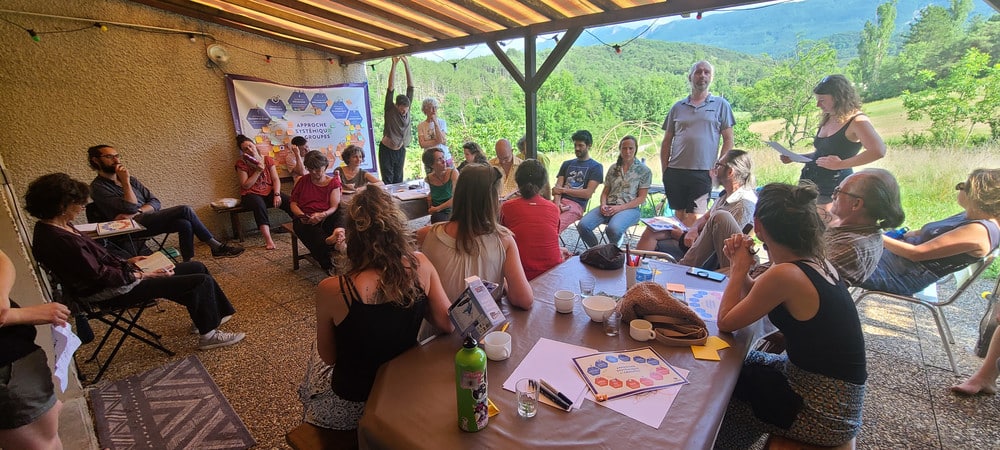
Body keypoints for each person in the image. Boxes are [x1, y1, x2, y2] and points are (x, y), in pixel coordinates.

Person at [716, 182, 866, 448]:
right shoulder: (816, 262)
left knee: (717, 395)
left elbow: (726, 322)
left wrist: (738, 269)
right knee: (736, 366)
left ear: (758, 225)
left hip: (820, 409)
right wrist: (741, 269)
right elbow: (758, 297)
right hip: (838, 397)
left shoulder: (785, 273)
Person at [27, 173, 246, 351]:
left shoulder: (61, 226)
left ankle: (210, 317)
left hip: (115, 277)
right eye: (78, 203)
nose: (82, 207)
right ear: (61, 205)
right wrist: (143, 274)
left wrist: (130, 260)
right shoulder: (60, 240)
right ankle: (208, 335)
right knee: (198, 281)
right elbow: (100, 276)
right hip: (108, 291)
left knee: (197, 266)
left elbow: (98, 259)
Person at [315, 186, 454, 430]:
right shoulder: (419, 265)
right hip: (403, 389)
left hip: (355, 400)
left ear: (352, 235)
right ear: (396, 228)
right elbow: (448, 322)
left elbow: (329, 356)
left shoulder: (332, 289)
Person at [87, 144, 244, 261]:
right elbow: (130, 206)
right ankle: (216, 246)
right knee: (184, 209)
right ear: (96, 160)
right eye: (109, 157)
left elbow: (155, 202)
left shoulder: (132, 180)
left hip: (145, 219)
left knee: (184, 223)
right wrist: (125, 182)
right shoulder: (98, 187)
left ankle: (188, 261)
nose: (116, 160)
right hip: (128, 229)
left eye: (117, 155)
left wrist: (140, 211)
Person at [860, 169, 1000, 296]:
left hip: (898, 275)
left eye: (963, 186)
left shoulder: (979, 232)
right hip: (894, 260)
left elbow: (916, 253)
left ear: (978, 198)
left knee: (840, 263)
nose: (959, 188)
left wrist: (874, 234)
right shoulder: (973, 215)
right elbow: (920, 232)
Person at [417, 164, 533, 309]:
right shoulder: (504, 240)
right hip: (484, 327)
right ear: (493, 200)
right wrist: (505, 282)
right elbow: (524, 299)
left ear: (457, 194)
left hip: (436, 329)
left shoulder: (425, 235)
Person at [782, 74, 886, 215]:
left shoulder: (857, 120)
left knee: (824, 226)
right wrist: (796, 157)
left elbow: (878, 151)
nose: (818, 105)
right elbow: (823, 154)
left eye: (822, 100)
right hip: (809, 182)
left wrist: (840, 164)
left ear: (838, 97)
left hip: (833, 186)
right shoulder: (829, 117)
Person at [637, 149, 756, 270]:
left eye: (718, 165)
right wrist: (693, 229)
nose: (714, 169)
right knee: (652, 230)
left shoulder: (743, 205)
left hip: (706, 256)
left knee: (656, 237)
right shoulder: (727, 195)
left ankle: (664, 270)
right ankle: (634, 269)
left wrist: (682, 237)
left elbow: (720, 247)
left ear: (730, 172)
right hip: (695, 240)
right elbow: (705, 217)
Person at [0, 249, 70, 450]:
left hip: (17, 356)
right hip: (7, 370)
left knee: (48, 431)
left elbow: (2, 259)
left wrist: (1, 295)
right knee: (40, 442)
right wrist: (23, 315)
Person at [660, 60, 735, 228]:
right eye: (698, 72)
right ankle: (679, 253)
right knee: (678, 218)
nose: (702, 75)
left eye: (707, 72)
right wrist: (665, 170)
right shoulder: (677, 107)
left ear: (711, 78)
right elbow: (666, 141)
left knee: (694, 219)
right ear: (690, 77)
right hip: (676, 171)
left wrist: (718, 167)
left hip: (703, 171)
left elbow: (728, 139)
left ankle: (690, 253)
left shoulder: (721, 105)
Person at [825, 169, 904, 286]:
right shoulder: (865, 230)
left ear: (856, 204)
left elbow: (803, 280)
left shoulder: (849, 246)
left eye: (838, 191)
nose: (833, 196)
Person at [577, 136, 651, 248]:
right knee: (583, 225)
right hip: (609, 205)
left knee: (613, 229)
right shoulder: (613, 168)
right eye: (624, 148)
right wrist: (603, 204)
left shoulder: (643, 170)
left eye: (631, 148)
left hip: (630, 209)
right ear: (620, 149)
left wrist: (619, 208)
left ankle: (613, 252)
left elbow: (641, 198)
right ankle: (597, 250)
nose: (627, 151)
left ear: (636, 149)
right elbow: (605, 191)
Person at [500, 160, 562, 280]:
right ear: (543, 183)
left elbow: (502, 242)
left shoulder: (507, 207)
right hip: (552, 271)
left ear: (517, 181)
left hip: (521, 274)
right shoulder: (553, 208)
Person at [235, 134, 293, 250]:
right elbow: (245, 185)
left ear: (255, 145)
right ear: (243, 152)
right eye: (245, 149)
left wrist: (277, 194)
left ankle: (301, 225)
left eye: (250, 146)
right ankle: (268, 239)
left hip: (268, 191)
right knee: (259, 205)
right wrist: (257, 171)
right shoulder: (241, 164)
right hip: (250, 194)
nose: (250, 150)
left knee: (287, 200)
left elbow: (276, 179)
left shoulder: (267, 159)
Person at [291, 151, 344, 275]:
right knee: (313, 233)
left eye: (317, 169)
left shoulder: (333, 183)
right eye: (310, 169)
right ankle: (328, 260)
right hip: (305, 217)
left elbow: (334, 206)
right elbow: (293, 203)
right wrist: (301, 215)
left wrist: (322, 214)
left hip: (326, 216)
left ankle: (339, 231)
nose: (314, 172)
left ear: (325, 167)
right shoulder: (302, 180)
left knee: (342, 210)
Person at [551, 130, 604, 233]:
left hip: (576, 205)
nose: (577, 148)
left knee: (554, 227)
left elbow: (587, 193)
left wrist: (563, 191)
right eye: (575, 145)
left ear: (589, 146)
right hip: (557, 202)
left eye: (580, 145)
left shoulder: (596, 167)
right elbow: (556, 189)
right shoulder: (566, 164)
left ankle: (553, 248)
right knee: (538, 221)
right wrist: (557, 206)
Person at [378, 56, 414, 184]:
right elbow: (390, 87)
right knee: (388, 179)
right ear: (397, 106)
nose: (404, 111)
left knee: (399, 179)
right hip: (387, 149)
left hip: (400, 148)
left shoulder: (408, 106)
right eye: (402, 109)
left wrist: (406, 64)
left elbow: (411, 87)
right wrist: (394, 64)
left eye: (406, 109)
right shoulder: (390, 108)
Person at [422, 148, 458, 224]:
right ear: (431, 165)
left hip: (454, 209)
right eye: (439, 159)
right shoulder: (428, 179)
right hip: (439, 213)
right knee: (437, 218)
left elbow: (457, 197)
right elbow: (430, 195)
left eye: (443, 157)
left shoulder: (453, 173)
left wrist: (437, 208)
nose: (443, 161)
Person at [416, 98, 452, 169]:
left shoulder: (442, 122)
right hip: (430, 160)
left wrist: (435, 123)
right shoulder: (421, 125)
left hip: (445, 158)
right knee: (431, 179)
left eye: (435, 107)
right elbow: (422, 144)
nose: (434, 110)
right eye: (431, 107)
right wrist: (437, 141)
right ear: (425, 110)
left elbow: (442, 140)